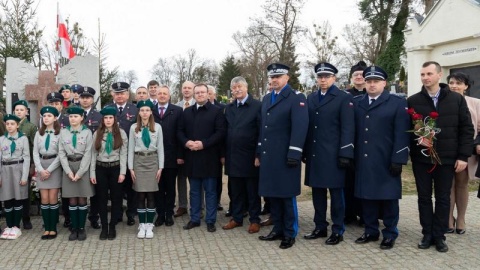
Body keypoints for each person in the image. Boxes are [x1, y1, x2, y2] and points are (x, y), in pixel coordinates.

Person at [408, 61, 474, 252]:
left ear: (439, 75)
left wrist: (463, 156)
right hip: (422, 159)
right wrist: (418, 140)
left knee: (443, 197)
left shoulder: (456, 99)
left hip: (447, 158)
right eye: (422, 74)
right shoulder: (413, 100)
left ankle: (440, 235)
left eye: (429, 74)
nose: (425, 78)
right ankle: (427, 234)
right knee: (424, 197)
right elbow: (410, 130)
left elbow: (466, 129)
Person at [352, 66, 410, 250]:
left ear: (384, 83)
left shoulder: (396, 103)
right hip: (364, 158)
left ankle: (390, 233)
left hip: (386, 159)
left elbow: (402, 134)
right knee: (367, 196)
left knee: (388, 198)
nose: (371, 85)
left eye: (376, 81)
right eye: (369, 81)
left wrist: (398, 159)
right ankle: (370, 231)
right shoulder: (358, 102)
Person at [257, 63, 308, 249]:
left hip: (287, 156)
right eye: (272, 77)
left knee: (286, 196)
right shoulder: (267, 98)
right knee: (273, 195)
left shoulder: (296, 98)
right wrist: (259, 150)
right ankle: (277, 228)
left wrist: (295, 152)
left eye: (278, 77)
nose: (274, 80)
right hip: (269, 156)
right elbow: (263, 128)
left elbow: (300, 127)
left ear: (287, 78)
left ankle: (289, 232)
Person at [303, 62, 355, 245]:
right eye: (320, 77)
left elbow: (348, 128)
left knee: (336, 195)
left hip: (334, 155)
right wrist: (304, 150)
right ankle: (320, 226)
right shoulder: (311, 98)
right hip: (315, 154)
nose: (323, 80)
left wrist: (346, 153)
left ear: (334, 78)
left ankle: (338, 229)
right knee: (317, 193)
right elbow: (308, 126)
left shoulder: (343, 98)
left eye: (326, 76)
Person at [178, 83, 226, 233]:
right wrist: (186, 142)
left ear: (207, 94)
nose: (199, 95)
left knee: (210, 191)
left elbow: (220, 133)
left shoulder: (217, 111)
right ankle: (195, 219)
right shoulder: (186, 112)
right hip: (192, 157)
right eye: (197, 92)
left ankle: (210, 220)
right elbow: (179, 131)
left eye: (202, 92)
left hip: (210, 157)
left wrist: (203, 144)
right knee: (194, 191)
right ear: (193, 94)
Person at [222, 76, 262, 234]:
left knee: (252, 191)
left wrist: (259, 154)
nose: (237, 89)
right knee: (235, 191)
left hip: (250, 157)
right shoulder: (229, 108)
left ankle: (254, 220)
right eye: (234, 87)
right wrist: (223, 154)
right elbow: (225, 132)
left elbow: (261, 132)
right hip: (233, 156)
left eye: (240, 87)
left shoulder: (257, 106)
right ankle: (237, 218)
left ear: (246, 88)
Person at [447, 73, 480, 235]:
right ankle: (448, 219)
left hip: (467, 150)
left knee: (461, 184)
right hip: (447, 150)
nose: (454, 86)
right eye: (451, 82)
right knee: (448, 186)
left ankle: (461, 218)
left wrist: (477, 143)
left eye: (458, 83)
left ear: (466, 86)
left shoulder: (475, 103)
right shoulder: (443, 102)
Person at [128, 100, 164, 239]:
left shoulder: (158, 127)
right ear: (139, 112)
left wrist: (161, 167)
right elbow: (131, 148)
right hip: (139, 161)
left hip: (152, 161)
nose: (144, 113)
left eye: (147, 110)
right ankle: (142, 223)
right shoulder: (133, 128)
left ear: (151, 112)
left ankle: (149, 224)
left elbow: (160, 148)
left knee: (151, 194)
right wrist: (131, 168)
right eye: (142, 110)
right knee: (141, 194)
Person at [91, 106, 128, 240]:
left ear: (114, 119)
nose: (108, 120)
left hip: (115, 168)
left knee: (116, 198)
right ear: (102, 119)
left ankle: (112, 226)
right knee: (101, 198)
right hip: (100, 168)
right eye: (105, 118)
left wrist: (123, 172)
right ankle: (104, 227)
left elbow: (123, 154)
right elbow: (93, 154)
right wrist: (92, 173)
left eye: (110, 118)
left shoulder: (121, 133)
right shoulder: (97, 133)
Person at [58, 106, 94, 241]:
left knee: (82, 198)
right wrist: (68, 171)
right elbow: (61, 153)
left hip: (82, 167)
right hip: (68, 166)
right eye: (71, 116)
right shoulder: (64, 132)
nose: (73, 119)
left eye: (76, 116)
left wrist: (80, 173)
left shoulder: (87, 132)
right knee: (72, 199)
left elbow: (88, 153)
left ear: (81, 118)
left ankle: (81, 228)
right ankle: (74, 228)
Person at [152, 85, 183, 227]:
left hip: (171, 156)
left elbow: (180, 134)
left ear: (169, 96)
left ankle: (169, 213)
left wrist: (180, 155)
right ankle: (160, 214)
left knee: (170, 187)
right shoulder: (150, 111)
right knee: (158, 187)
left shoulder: (177, 110)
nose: (162, 95)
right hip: (154, 157)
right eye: (160, 93)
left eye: (165, 93)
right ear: (156, 95)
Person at [110, 82, 138, 226]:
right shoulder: (108, 110)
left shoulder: (135, 109)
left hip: (130, 154)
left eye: (122, 93)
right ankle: (117, 214)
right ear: (113, 95)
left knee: (131, 187)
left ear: (127, 94)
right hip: (113, 155)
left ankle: (131, 214)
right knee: (117, 188)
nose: (119, 96)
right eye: (117, 93)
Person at [33, 106, 62, 240]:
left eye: (49, 116)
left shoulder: (60, 132)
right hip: (41, 166)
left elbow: (60, 154)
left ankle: (53, 228)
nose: (46, 118)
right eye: (44, 116)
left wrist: (49, 170)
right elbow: (35, 152)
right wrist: (40, 169)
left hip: (54, 166)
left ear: (55, 118)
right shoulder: (39, 133)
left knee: (53, 197)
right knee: (44, 198)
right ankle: (47, 228)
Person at [0, 114, 30, 240]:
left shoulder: (23, 139)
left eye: (12, 124)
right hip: (5, 169)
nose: (10, 126)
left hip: (18, 168)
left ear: (17, 125)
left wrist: (24, 176)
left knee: (18, 198)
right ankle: (9, 225)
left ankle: (16, 226)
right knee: (7, 198)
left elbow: (27, 157)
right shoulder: (1, 139)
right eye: (7, 124)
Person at [344, 60, 367, 225]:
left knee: (365, 181)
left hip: (368, 144)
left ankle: (366, 214)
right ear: (351, 78)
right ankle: (349, 213)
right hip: (350, 143)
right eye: (355, 75)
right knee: (349, 180)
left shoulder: (373, 93)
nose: (359, 77)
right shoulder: (345, 96)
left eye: (361, 74)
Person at [77, 86, 102, 229]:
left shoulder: (99, 117)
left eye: (88, 97)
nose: (85, 100)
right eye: (83, 97)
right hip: (78, 159)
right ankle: (73, 218)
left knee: (95, 191)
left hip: (94, 158)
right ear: (79, 99)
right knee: (77, 190)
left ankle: (94, 217)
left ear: (92, 99)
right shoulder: (73, 115)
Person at [13, 100, 37, 230]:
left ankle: (26, 218)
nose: (19, 112)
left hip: (25, 163)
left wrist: (32, 165)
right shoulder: (9, 125)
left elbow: (34, 147)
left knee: (25, 192)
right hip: (10, 165)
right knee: (12, 192)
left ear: (26, 112)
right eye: (17, 110)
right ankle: (15, 219)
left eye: (21, 110)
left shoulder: (31, 127)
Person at [174, 81, 196, 218]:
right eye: (184, 88)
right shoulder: (176, 107)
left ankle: (196, 206)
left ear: (193, 90)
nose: (187, 90)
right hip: (180, 148)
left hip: (195, 148)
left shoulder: (198, 104)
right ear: (181, 90)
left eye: (189, 88)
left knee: (195, 180)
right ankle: (182, 205)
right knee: (181, 179)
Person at [207, 85, 226, 211]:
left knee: (217, 178)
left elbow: (223, 132)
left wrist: (223, 153)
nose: (207, 95)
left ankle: (217, 201)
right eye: (205, 92)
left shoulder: (223, 108)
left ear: (214, 95)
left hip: (217, 149)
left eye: (210, 93)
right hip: (202, 149)